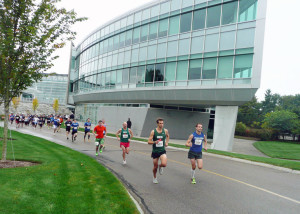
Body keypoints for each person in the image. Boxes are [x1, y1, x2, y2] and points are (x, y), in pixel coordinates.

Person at [148, 118, 169, 184]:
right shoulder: (153, 131)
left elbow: (168, 136)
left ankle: (161, 166)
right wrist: (154, 142)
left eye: (162, 123)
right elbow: (148, 141)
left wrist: (166, 142)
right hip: (155, 151)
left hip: (162, 150)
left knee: (164, 164)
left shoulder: (165, 131)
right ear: (157, 124)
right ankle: (154, 177)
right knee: (155, 167)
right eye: (160, 123)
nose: (161, 124)